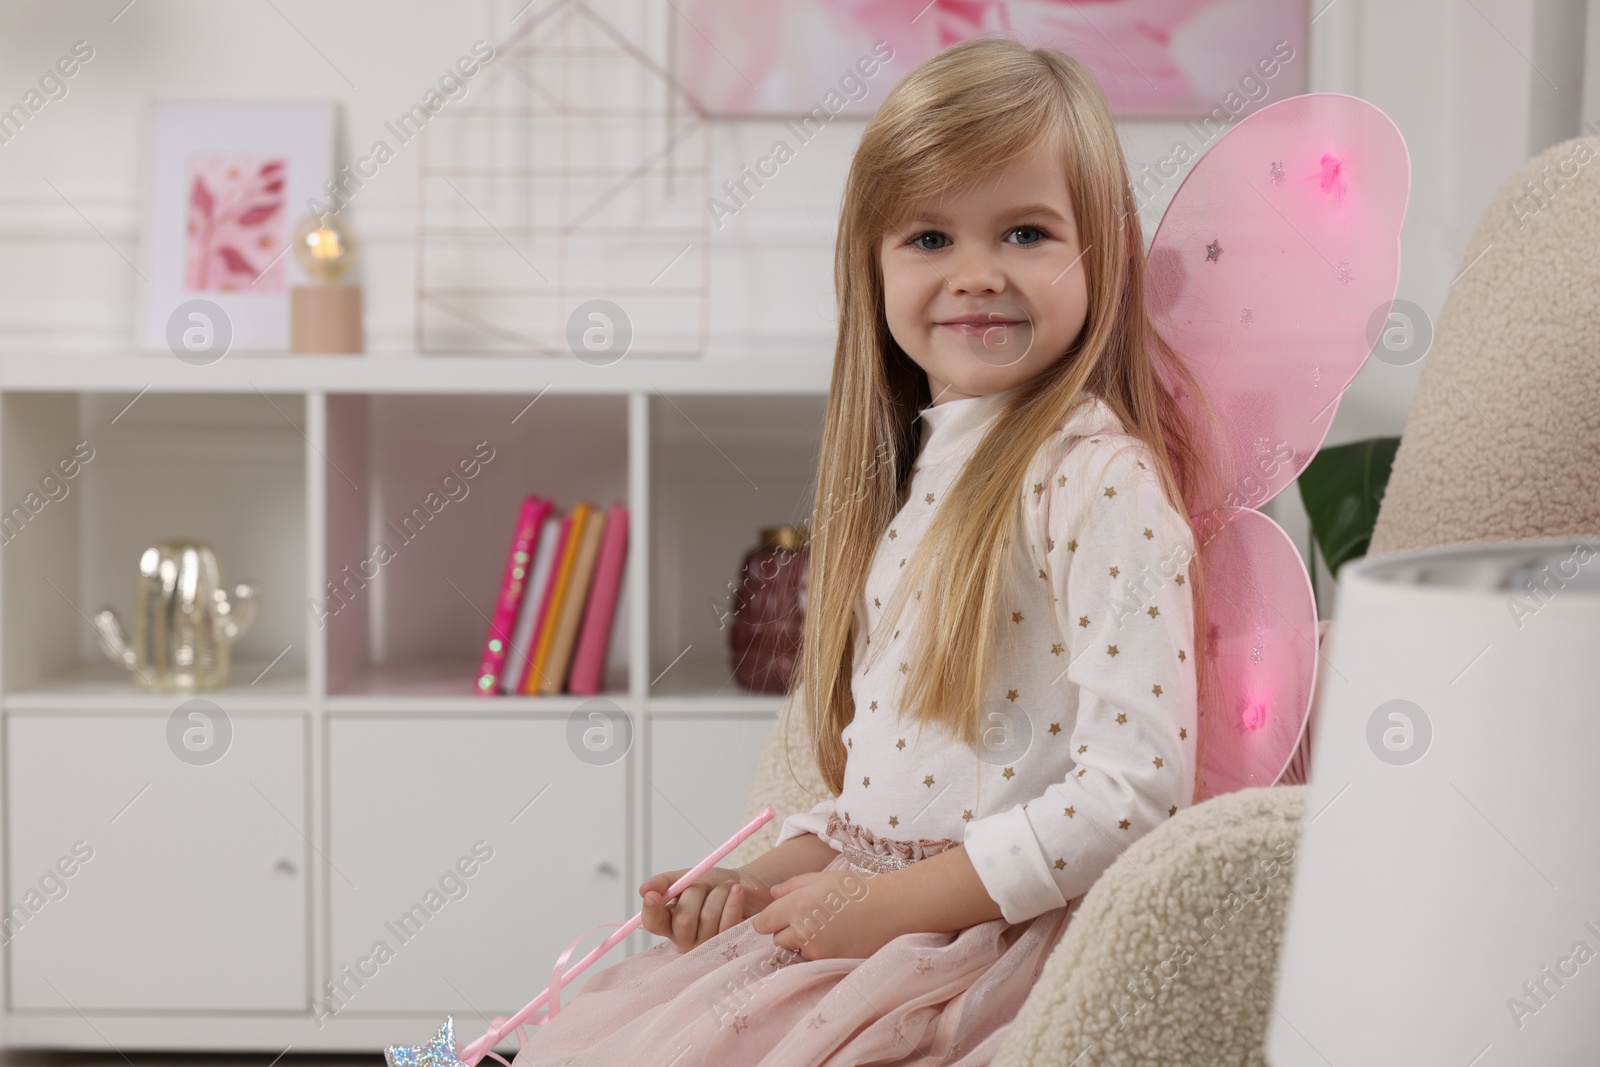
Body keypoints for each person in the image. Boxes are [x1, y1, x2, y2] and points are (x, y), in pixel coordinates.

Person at [510, 34, 1220, 1066]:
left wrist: (881, 906)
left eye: (1024, 231)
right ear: (873, 266)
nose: (975, 274)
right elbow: (890, 797)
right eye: (929, 238)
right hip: (882, 916)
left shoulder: (1096, 481)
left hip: (986, 942)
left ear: (1099, 253)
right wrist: (765, 882)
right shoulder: (919, 483)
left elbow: (1134, 791)